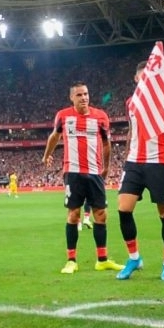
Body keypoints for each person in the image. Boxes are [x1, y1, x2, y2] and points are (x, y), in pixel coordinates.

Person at [42, 81, 123, 274]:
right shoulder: (63, 116)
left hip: (95, 172)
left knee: (101, 215)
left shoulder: (101, 117)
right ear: (72, 98)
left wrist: (106, 168)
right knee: (73, 215)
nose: (84, 98)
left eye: (86, 94)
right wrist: (47, 155)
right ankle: (71, 260)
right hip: (73, 172)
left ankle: (102, 259)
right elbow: (54, 136)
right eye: (79, 95)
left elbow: (106, 144)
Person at [115, 61, 164, 282]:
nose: (146, 81)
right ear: (136, 79)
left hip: (159, 161)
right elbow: (132, 131)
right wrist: (125, 157)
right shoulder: (131, 102)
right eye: (143, 77)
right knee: (123, 208)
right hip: (134, 161)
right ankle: (134, 258)